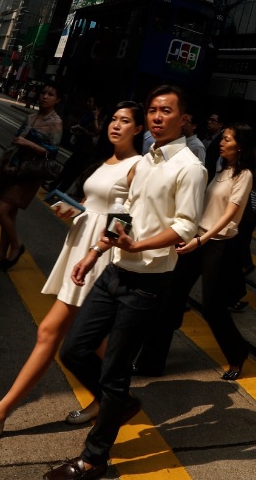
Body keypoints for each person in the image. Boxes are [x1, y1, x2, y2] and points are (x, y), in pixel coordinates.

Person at [44, 85, 205, 480]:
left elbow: (185, 227)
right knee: (75, 351)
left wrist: (139, 246)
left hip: (147, 284)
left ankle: (94, 458)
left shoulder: (190, 167)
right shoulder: (147, 161)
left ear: (183, 118)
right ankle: (117, 404)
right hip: (113, 272)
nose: (157, 117)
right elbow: (126, 212)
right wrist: (95, 253)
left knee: (114, 370)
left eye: (166, 111)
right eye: (152, 110)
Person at [0, 102, 144, 437]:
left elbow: (127, 218)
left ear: (138, 129)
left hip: (98, 256)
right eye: (113, 118)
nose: (116, 125)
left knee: (51, 333)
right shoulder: (105, 161)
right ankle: (114, 399)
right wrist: (73, 211)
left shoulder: (138, 165)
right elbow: (93, 204)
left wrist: (97, 250)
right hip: (79, 247)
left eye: (125, 121)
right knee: (97, 343)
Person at [161, 122, 254, 377]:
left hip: (218, 245)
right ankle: (154, 357)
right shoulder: (222, 168)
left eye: (227, 139)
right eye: (222, 138)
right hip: (198, 238)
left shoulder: (244, 175)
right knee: (173, 294)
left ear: (240, 146)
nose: (221, 143)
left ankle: (237, 354)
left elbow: (228, 215)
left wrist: (201, 241)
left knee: (212, 306)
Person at [0, 84, 63, 268]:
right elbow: (14, 145)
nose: (45, 96)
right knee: (9, 214)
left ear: (57, 100)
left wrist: (29, 144)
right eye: (43, 93)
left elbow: (52, 153)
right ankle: (1, 255)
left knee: (1, 212)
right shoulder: (31, 117)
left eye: (51, 94)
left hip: (30, 173)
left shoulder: (55, 122)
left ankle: (17, 246)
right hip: (13, 169)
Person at [234, 145, 256, 278]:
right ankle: (242, 263)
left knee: (243, 238)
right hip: (249, 209)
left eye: (255, 153)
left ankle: (246, 264)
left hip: (253, 211)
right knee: (243, 238)